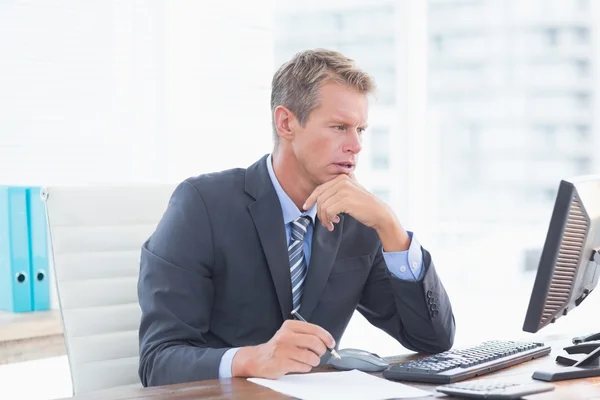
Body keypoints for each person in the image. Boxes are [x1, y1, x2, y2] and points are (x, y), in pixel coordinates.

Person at [137, 49, 455, 387]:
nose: (356, 145)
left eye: (361, 129)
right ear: (286, 123)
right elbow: (158, 361)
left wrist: (390, 228)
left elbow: (432, 341)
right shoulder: (202, 205)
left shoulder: (359, 219)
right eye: (339, 127)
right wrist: (251, 358)